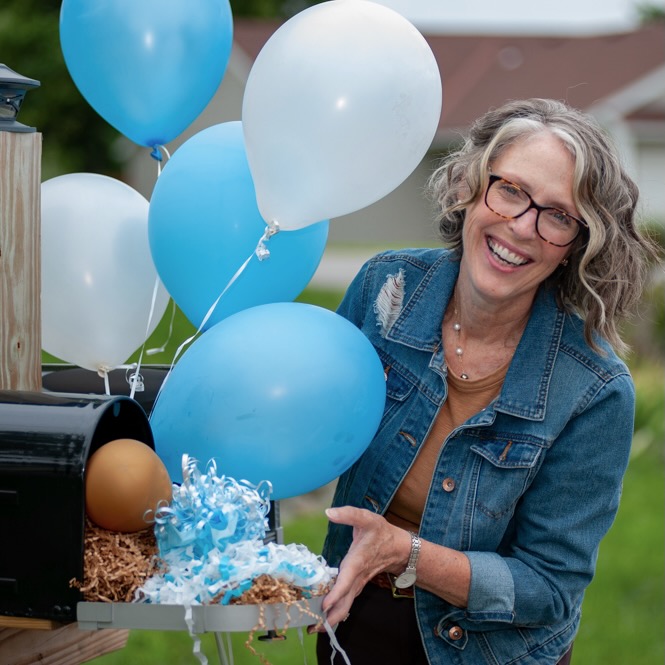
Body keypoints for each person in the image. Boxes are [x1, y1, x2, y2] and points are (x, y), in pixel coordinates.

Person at [314, 98, 659, 664]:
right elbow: (305, 429)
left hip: (491, 650)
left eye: (557, 216)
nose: (521, 227)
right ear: (470, 188)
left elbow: (549, 587)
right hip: (354, 617)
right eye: (511, 191)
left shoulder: (595, 390)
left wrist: (404, 553)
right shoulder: (388, 291)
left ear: (577, 245)